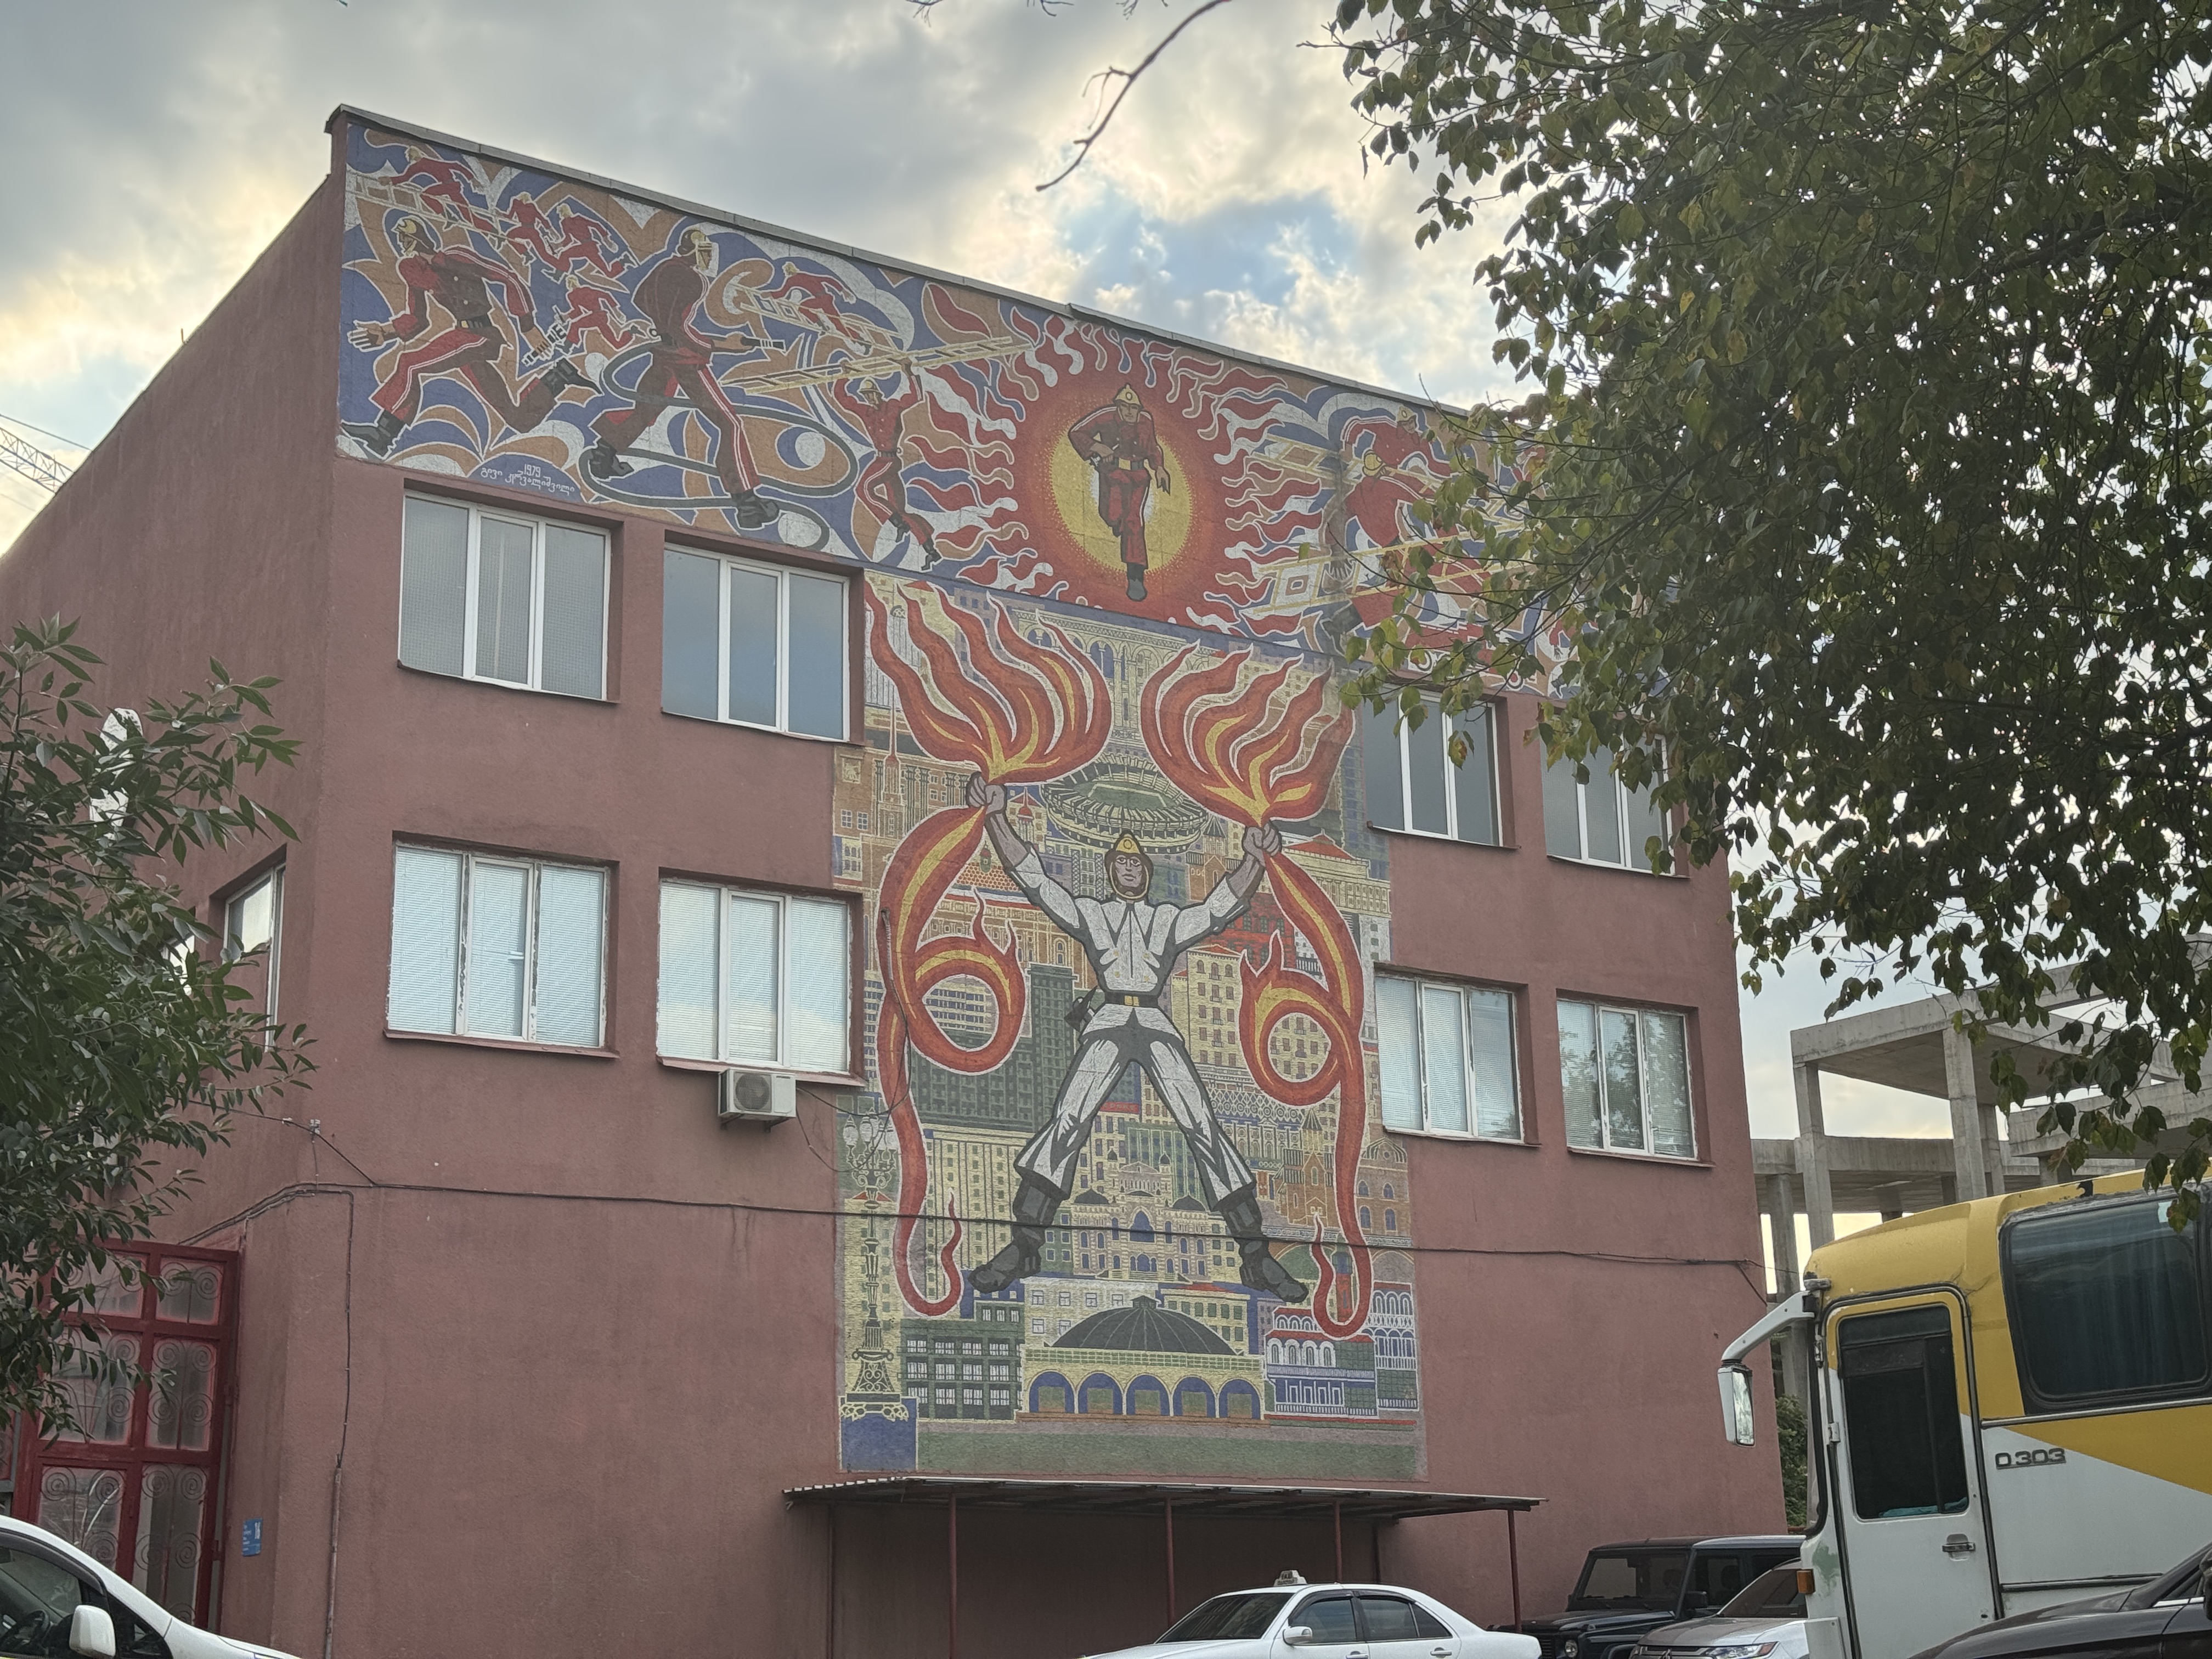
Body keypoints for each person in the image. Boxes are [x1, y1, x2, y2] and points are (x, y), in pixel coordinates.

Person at [961, 775, 1307, 1303]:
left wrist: (1254, 860)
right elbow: (1038, 884)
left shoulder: (1165, 920)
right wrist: (995, 819)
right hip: (1109, 1022)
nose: (1128, 869)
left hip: (1153, 1023)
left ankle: (1255, 1255)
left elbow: (1216, 909)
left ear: (1146, 872)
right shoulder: (1094, 914)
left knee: (1201, 1122)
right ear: (1111, 871)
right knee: (1069, 1117)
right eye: (1120, 864)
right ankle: (1025, 1243)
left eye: (1136, 864)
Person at [341, 214, 589, 458]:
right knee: (518, 419)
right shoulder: (414, 270)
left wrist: (527, 326)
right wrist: (386, 332)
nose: (401, 242)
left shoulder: (457, 256)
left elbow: (508, 277)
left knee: (410, 362)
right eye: (399, 238)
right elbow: (418, 319)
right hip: (462, 337)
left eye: (406, 236)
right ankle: (559, 377)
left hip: (481, 335)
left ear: (419, 236)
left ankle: (383, 434)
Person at [583, 225, 774, 529]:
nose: (708, 257)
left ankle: (604, 454)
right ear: (692, 250)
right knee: (730, 423)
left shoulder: (664, 268)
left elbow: (642, 300)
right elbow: (681, 328)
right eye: (704, 251)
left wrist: (663, 330)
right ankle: (747, 503)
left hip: (665, 353)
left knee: (646, 410)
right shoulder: (692, 279)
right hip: (687, 361)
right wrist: (721, 345)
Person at [1067, 385, 1171, 600]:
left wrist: (1159, 467)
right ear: (1119, 408)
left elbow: (1153, 447)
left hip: (1138, 477)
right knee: (1112, 515)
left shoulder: (1146, 421)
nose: (1130, 412)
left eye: (1134, 408)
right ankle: (1119, 525)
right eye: (1126, 407)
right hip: (1113, 474)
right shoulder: (1105, 417)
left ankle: (1135, 576)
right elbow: (1076, 433)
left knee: (1134, 521)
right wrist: (1097, 447)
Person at [830, 373, 940, 566]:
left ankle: (898, 523)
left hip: (889, 461)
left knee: (863, 489)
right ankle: (930, 550)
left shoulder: (893, 407)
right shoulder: (866, 412)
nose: (869, 398)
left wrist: (908, 372)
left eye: (871, 394)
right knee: (899, 510)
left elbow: (915, 397)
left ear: (878, 393)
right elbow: (843, 400)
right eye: (866, 395)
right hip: (881, 460)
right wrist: (844, 377)